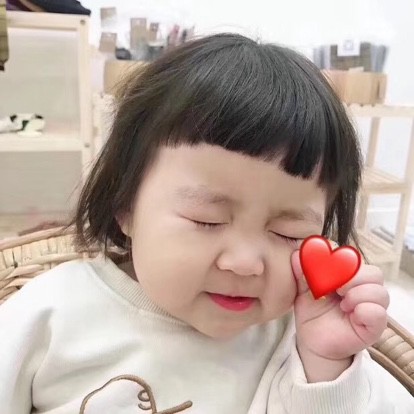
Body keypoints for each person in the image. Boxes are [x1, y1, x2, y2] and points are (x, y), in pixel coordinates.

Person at [0, 33, 405, 413]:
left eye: (289, 234)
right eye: (206, 220)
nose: (245, 263)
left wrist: (328, 368)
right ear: (125, 205)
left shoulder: (301, 337)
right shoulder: (50, 312)